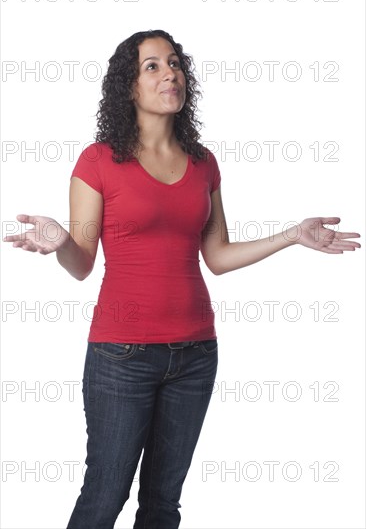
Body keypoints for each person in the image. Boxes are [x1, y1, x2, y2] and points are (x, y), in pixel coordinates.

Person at [3, 29, 361, 529]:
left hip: (196, 354)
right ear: (128, 86)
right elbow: (82, 263)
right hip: (121, 356)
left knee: (163, 504)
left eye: (174, 63)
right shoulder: (99, 160)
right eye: (152, 66)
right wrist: (61, 241)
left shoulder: (203, 163)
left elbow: (216, 255)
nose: (170, 72)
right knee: (106, 494)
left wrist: (292, 236)